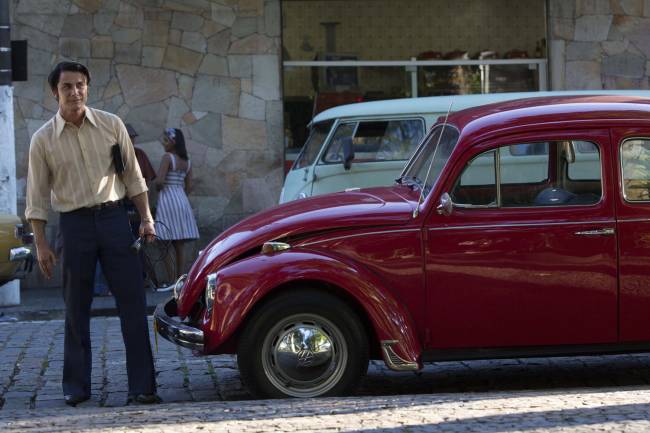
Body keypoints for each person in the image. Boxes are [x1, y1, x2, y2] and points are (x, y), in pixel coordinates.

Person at [25, 61, 159, 407]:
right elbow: (37, 197)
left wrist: (146, 218)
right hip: (73, 226)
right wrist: (41, 244)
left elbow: (133, 178)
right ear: (55, 92)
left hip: (116, 220)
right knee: (76, 308)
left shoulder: (112, 126)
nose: (75, 92)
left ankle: (142, 386)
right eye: (67, 86)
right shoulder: (42, 140)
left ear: (88, 87)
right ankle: (76, 387)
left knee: (133, 303)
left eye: (81, 85)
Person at [93, 123, 156, 295]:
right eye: (129, 138)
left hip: (137, 206)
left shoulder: (139, 155)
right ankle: (109, 286)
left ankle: (141, 280)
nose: (132, 141)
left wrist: (145, 209)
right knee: (117, 248)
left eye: (133, 138)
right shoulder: (114, 154)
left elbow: (146, 181)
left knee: (139, 245)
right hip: (118, 206)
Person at [155, 128, 199, 285]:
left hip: (167, 199)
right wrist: (180, 194)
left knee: (164, 242)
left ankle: (171, 279)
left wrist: (156, 187)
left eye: (166, 140)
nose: (163, 144)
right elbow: (190, 185)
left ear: (173, 142)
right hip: (181, 199)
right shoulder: (187, 161)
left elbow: (160, 181)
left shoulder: (167, 157)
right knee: (179, 243)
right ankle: (181, 279)